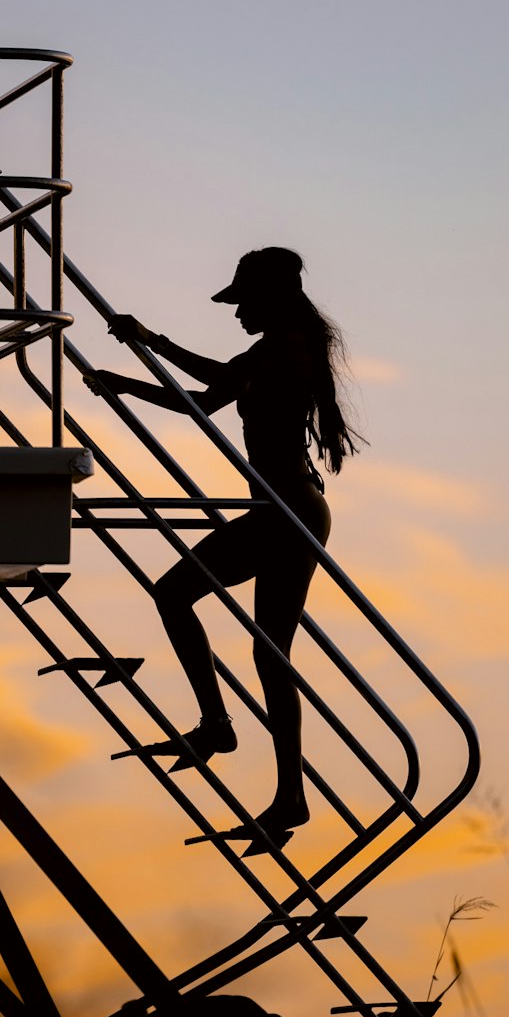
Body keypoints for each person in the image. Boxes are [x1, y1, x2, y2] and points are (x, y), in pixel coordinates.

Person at [84, 247, 361, 849]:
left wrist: (147, 341)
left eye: (243, 303)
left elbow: (217, 380)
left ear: (272, 297)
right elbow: (205, 403)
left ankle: (227, 735)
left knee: (197, 606)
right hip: (281, 513)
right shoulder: (274, 349)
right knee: (254, 645)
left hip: (287, 514)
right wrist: (122, 384)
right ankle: (275, 780)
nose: (236, 314)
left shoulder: (289, 347)